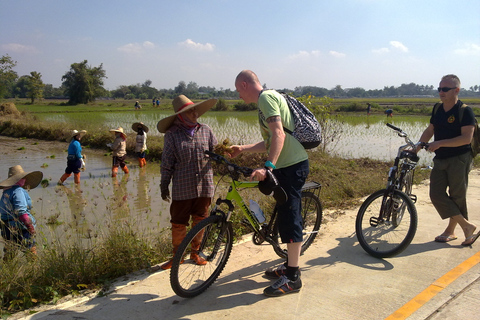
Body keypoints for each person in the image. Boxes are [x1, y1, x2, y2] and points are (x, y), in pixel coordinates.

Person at [231, 70, 309, 297]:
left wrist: (268, 168)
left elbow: (279, 135)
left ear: (245, 84)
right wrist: (243, 148)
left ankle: (293, 277)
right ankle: (288, 266)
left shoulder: (265, 99)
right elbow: (270, 139)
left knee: (290, 217)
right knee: (284, 213)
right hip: (287, 165)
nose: (238, 96)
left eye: (238, 91)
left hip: (292, 165)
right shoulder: (269, 99)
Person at [418, 74, 479, 246]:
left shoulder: (465, 111)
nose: (441, 92)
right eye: (439, 89)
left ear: (456, 90)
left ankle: (451, 231)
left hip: (459, 158)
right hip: (441, 158)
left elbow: (466, 138)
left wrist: (440, 143)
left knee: (457, 196)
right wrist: (419, 145)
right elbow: (431, 129)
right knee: (436, 194)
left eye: (445, 89)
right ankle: (467, 226)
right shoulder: (437, 108)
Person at [158, 95, 218, 270]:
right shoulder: (172, 135)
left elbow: (215, 152)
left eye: (195, 109)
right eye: (190, 111)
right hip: (182, 187)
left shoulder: (206, 130)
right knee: (179, 223)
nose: (195, 112)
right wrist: (164, 184)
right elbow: (167, 163)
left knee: (200, 221)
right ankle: (177, 257)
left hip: (205, 185)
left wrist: (225, 154)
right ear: (180, 115)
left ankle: (196, 253)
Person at [0, 165, 43, 260]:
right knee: (31, 251)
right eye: (23, 177)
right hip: (20, 228)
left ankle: (7, 272)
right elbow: (21, 211)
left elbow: (3, 213)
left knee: (9, 252)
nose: (25, 179)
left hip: (6, 228)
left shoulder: (5, 193)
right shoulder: (18, 191)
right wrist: (30, 227)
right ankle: (34, 271)